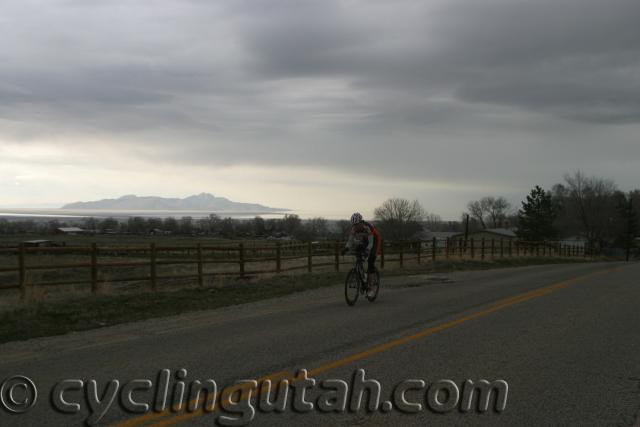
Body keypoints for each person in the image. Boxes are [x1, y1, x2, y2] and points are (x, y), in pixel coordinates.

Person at [341, 212, 382, 290]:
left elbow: (371, 243)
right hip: (366, 240)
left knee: (371, 260)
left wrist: (367, 251)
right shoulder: (354, 229)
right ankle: (363, 274)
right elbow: (350, 241)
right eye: (353, 225)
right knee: (358, 249)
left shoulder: (367, 227)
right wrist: (346, 248)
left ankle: (371, 286)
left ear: (361, 222)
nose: (355, 227)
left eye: (356, 224)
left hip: (375, 240)